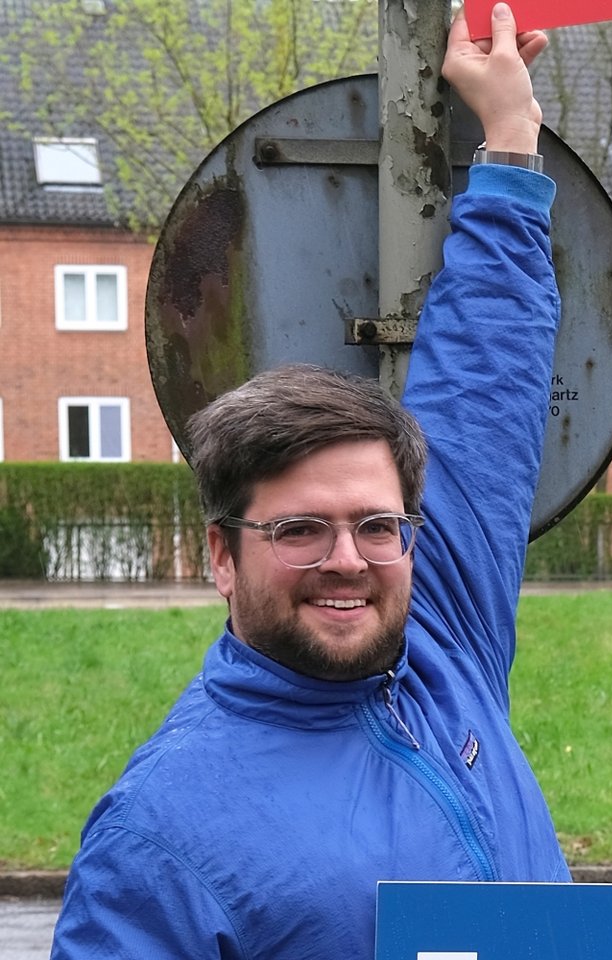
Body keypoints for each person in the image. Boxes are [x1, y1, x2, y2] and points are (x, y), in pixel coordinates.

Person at [51, 5, 570, 956]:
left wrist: (508, 137)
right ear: (221, 553)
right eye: (299, 530)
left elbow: (484, 393)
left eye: (377, 526)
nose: (350, 561)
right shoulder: (156, 836)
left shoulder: (442, 635)